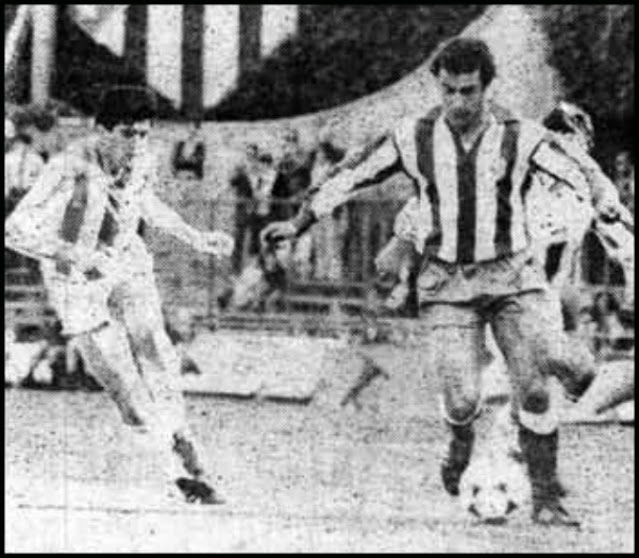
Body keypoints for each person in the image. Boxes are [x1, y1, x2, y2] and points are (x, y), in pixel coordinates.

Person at [262, 38, 625, 526]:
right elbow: (352, 174)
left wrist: (603, 196)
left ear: (487, 87)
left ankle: (546, 499)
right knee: (461, 398)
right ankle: (459, 442)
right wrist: (298, 223)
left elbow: (581, 169)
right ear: (439, 86)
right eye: (448, 90)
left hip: (513, 277)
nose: (457, 102)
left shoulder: (521, 135)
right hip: (448, 283)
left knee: (536, 387)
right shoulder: (413, 137)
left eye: (468, 91)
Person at [5, 86, 235, 505]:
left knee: (155, 346)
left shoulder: (141, 160)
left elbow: (145, 201)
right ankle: (174, 470)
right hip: (73, 275)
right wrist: (74, 254)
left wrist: (195, 237)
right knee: (122, 386)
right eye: (128, 133)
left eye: (143, 134)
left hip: (123, 259)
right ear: (100, 129)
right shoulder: (69, 166)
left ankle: (180, 433)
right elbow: (15, 229)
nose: (136, 144)